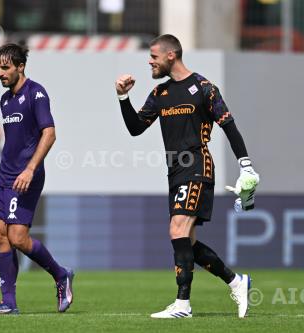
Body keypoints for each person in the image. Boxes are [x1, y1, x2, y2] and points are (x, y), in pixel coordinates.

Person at [115, 34, 260, 319]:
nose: (149, 61)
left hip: (198, 165)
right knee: (187, 244)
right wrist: (123, 97)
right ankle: (236, 281)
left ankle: (183, 305)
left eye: (154, 56)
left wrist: (246, 166)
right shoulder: (160, 94)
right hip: (175, 170)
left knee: (177, 229)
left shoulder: (204, 88)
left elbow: (229, 125)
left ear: (171, 55)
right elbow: (136, 128)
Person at [0, 43, 74, 315]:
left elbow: (49, 134)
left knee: (18, 237)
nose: (0, 73)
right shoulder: (5, 99)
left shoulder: (36, 93)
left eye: (5, 67)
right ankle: (8, 303)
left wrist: (30, 169)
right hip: (5, 176)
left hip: (26, 175)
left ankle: (60, 275)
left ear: (21, 66)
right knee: (1, 236)